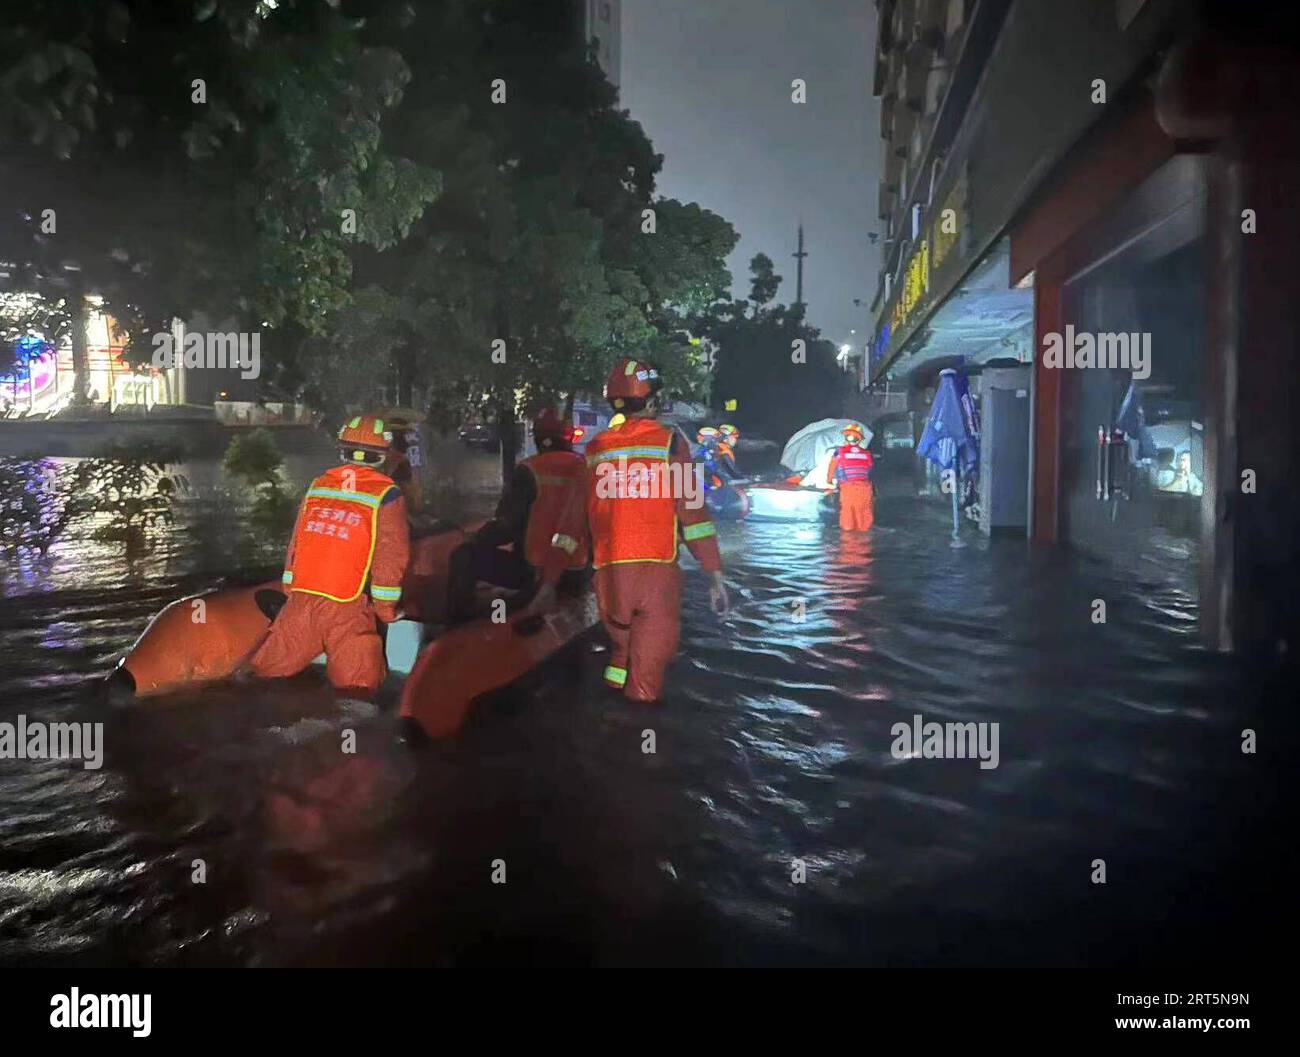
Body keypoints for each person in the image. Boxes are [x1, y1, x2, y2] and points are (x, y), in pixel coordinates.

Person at [585, 357, 728, 703]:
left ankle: (606, 711)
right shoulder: (670, 443)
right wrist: (715, 575)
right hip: (655, 573)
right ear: (652, 401)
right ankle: (638, 743)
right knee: (646, 684)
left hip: (608, 576)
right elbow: (692, 513)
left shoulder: (595, 449)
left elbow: (581, 517)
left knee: (621, 651)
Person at [249, 414, 410, 699]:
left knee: (264, 674)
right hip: (346, 608)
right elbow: (390, 557)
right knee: (358, 693)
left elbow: (297, 541)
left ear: (343, 450)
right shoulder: (387, 494)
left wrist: (289, 588)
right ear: (383, 455)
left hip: (301, 602)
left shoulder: (319, 484)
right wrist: (387, 610)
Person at [446, 407, 589, 623]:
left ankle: (462, 625)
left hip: (532, 571)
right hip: (577, 574)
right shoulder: (586, 467)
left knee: (463, 557)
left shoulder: (530, 469)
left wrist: (477, 538)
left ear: (539, 438)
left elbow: (506, 527)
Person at [827, 422, 874, 532]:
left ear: (846, 437)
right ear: (859, 439)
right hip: (865, 489)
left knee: (848, 521)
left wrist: (829, 483)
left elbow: (831, 469)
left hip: (848, 489)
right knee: (864, 520)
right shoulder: (866, 454)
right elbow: (870, 471)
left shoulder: (839, 452)